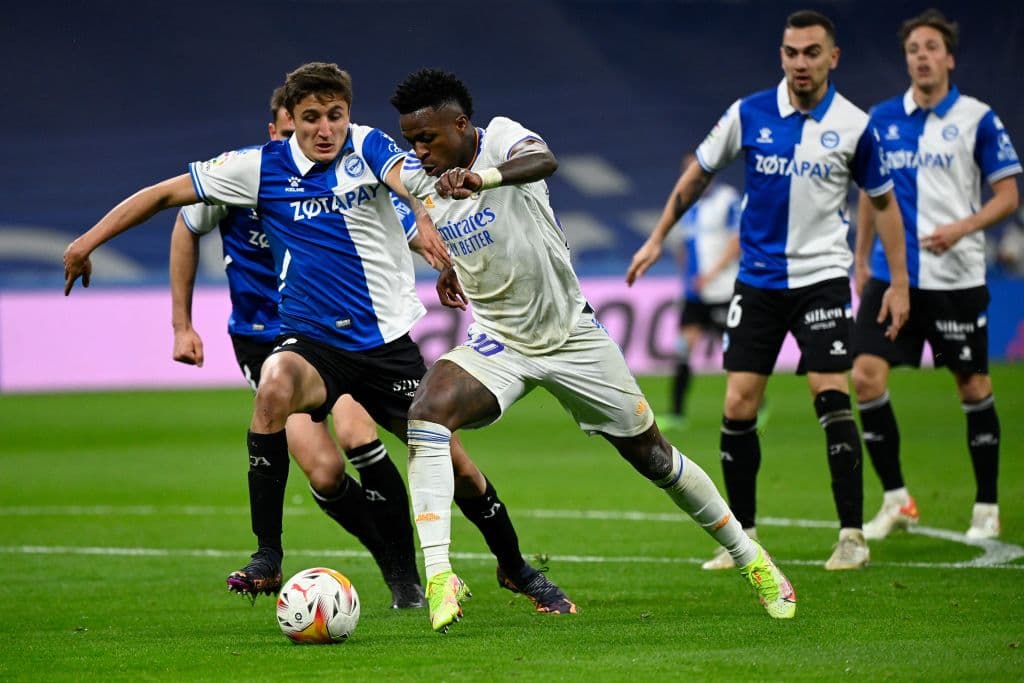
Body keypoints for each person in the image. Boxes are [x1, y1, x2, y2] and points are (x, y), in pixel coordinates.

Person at [63, 62, 574, 619]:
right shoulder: (257, 169)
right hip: (312, 342)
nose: (326, 128)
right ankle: (268, 556)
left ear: (347, 115)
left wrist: (425, 220)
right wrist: (87, 242)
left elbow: (408, 181)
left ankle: (517, 568)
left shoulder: (370, 146)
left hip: (385, 349)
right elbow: (166, 197)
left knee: (460, 470)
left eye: (335, 115)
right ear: (291, 122)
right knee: (274, 389)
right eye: (311, 118)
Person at [390, 67, 797, 635]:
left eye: (428, 137)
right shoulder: (417, 177)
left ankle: (752, 558)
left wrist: (480, 180)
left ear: (461, 125)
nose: (419, 149)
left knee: (654, 457)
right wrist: (443, 259)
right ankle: (440, 575)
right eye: (411, 139)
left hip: (574, 337)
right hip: (500, 341)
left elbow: (544, 161)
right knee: (427, 416)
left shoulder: (502, 139)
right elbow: (411, 222)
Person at [628, 10, 911, 571]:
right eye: (790, 52)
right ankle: (742, 540)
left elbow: (883, 203)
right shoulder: (748, 113)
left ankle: (852, 536)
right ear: (781, 55)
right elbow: (698, 174)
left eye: (811, 52)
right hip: (757, 281)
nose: (799, 62)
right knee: (738, 403)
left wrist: (897, 281)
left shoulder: (855, 126)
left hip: (822, 279)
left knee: (830, 394)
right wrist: (660, 235)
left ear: (833, 57)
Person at [169, 86, 425, 608]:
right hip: (266, 343)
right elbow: (183, 224)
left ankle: (405, 576)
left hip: (333, 335)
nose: (309, 143)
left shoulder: (340, 176)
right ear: (275, 133)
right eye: (293, 133)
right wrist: (182, 324)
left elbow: (399, 227)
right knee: (326, 473)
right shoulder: (245, 177)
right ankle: (382, 550)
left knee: (359, 435)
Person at [851, 9, 1020, 541]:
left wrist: (963, 227)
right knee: (865, 376)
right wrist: (860, 259)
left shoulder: (978, 118)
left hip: (955, 278)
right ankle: (897, 499)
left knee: (971, 385)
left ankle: (986, 506)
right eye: (913, 50)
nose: (921, 57)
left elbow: (1009, 195)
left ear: (948, 58)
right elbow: (868, 195)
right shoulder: (880, 118)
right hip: (891, 276)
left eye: (930, 48)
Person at [661, 152, 741, 430]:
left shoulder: (727, 200)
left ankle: (755, 403)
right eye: (687, 171)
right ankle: (677, 413)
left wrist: (711, 274)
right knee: (683, 350)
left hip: (722, 292)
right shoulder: (686, 204)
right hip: (694, 295)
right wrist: (688, 277)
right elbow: (683, 246)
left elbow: (737, 242)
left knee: (736, 354)